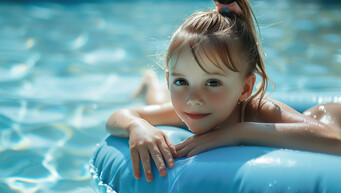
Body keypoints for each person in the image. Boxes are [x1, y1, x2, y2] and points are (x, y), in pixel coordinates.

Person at [106, 0, 341, 182]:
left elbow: (335, 140)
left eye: (213, 83)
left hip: (328, 116)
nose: (194, 99)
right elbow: (119, 117)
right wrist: (137, 126)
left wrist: (239, 132)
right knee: (159, 102)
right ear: (169, 79)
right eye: (180, 82)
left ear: (245, 88)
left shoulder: (259, 111)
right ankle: (151, 82)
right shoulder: (196, 103)